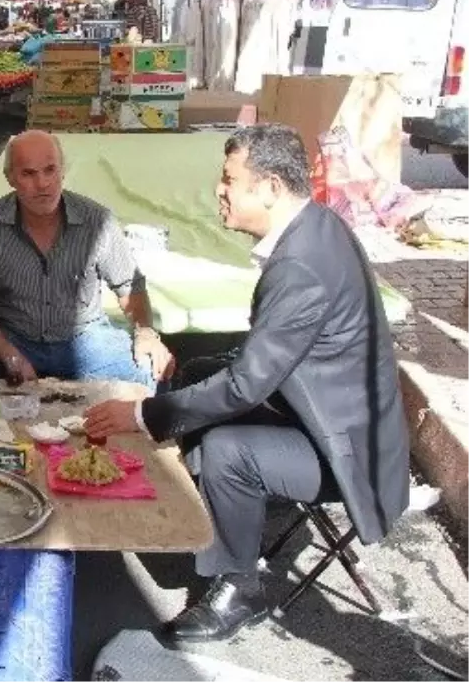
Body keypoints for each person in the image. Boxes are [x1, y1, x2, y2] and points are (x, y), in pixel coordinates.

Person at [84, 125, 410, 643]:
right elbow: (257, 367)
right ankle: (206, 508)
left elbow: (245, 387)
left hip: (346, 450)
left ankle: (239, 590)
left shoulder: (303, 265)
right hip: (316, 411)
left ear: (271, 188)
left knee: (228, 450)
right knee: (193, 372)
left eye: (230, 180)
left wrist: (143, 416)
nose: (220, 190)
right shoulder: (315, 228)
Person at [0, 130, 173, 388]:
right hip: (14, 336)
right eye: (28, 173)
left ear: (63, 171)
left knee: (151, 367)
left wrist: (146, 333)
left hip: (86, 339)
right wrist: (9, 354)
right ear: (10, 178)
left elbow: (130, 286)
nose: (43, 184)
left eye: (50, 170)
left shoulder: (97, 222)